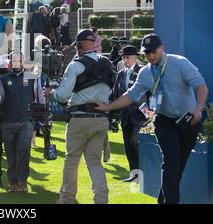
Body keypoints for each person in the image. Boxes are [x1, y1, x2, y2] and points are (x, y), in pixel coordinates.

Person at [95, 34, 208, 204]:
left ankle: (162, 200)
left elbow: (201, 85)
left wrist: (198, 108)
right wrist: (108, 107)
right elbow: (131, 95)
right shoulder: (146, 72)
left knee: (179, 166)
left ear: (161, 48)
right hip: (163, 120)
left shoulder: (180, 63)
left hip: (188, 119)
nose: (150, 56)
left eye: (153, 52)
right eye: (146, 53)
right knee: (171, 162)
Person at [44, 29, 116, 204]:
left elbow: (62, 95)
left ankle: (67, 199)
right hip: (101, 119)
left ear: (81, 45)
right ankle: (101, 199)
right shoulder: (107, 63)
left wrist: (51, 93)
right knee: (94, 162)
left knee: (72, 160)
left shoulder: (76, 64)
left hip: (80, 118)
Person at [0, 53, 44, 193]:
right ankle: (13, 182)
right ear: (11, 63)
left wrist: (41, 122)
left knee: (24, 150)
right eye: (14, 61)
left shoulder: (33, 78)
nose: (17, 63)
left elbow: (40, 100)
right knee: (10, 153)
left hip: (26, 121)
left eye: (19, 60)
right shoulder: (3, 78)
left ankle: (22, 181)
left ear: (23, 61)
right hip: (7, 122)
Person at [111, 45, 148, 182]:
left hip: (141, 115)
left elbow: (150, 93)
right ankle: (135, 176)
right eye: (123, 57)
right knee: (128, 145)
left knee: (135, 142)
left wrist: (150, 112)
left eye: (127, 57)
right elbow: (116, 95)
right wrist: (113, 117)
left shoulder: (143, 71)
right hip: (125, 115)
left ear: (135, 57)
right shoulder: (120, 74)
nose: (125, 60)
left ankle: (144, 173)